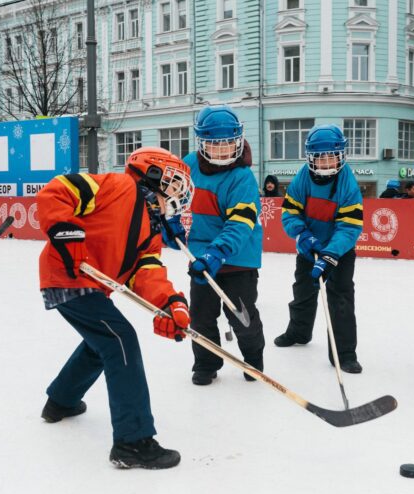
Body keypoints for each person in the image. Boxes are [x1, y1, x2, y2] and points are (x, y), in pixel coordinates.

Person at [36, 146, 194, 470]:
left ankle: (60, 401)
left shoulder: (150, 230)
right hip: (68, 275)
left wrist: (170, 303)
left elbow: (147, 273)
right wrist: (67, 233)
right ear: (153, 175)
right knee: (119, 339)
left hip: (90, 286)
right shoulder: (118, 187)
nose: (178, 195)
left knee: (102, 343)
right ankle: (132, 442)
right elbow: (57, 191)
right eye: (174, 185)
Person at [183, 105, 265, 386]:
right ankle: (206, 363)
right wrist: (167, 227)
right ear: (201, 143)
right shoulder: (188, 166)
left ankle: (253, 359)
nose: (222, 150)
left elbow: (241, 223)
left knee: (241, 315)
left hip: (238, 256)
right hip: (201, 256)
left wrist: (217, 251)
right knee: (201, 315)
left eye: (229, 143)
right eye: (214, 144)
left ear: (238, 140)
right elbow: (171, 202)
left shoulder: (242, 177)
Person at [275, 124, 364, 374]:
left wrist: (330, 254)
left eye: (331, 156)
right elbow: (290, 212)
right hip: (309, 248)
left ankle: (344, 353)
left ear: (341, 155)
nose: (326, 161)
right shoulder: (302, 177)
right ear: (310, 157)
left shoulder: (348, 184)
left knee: (340, 299)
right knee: (303, 292)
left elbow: (349, 226)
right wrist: (303, 235)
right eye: (320, 157)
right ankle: (299, 332)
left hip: (339, 253)